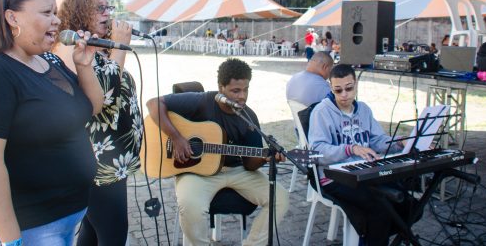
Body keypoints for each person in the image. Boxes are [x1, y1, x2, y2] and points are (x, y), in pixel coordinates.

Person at [0, 0, 104, 245]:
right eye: (47, 13)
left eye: (56, 13)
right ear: (12, 18)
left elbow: (91, 108)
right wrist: (11, 241)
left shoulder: (49, 61)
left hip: (65, 217)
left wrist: (84, 66)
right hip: (23, 228)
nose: (57, 21)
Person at [146, 58, 289, 246]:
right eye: (235, 90)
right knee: (190, 207)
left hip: (237, 172)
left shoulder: (248, 117)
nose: (242, 96)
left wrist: (266, 158)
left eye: (246, 89)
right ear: (221, 87)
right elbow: (153, 103)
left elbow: (249, 164)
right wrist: (177, 138)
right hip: (196, 172)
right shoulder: (202, 101)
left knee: (280, 198)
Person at [52, 0, 142, 246]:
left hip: (115, 161)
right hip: (98, 162)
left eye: (108, 7)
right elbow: (104, 98)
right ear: (80, 11)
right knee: (113, 234)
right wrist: (121, 46)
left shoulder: (98, 48)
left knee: (92, 233)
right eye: (99, 8)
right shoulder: (70, 49)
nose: (107, 14)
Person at [308, 64, 413, 246]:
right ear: (331, 88)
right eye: (337, 90)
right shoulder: (321, 112)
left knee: (408, 201)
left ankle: (373, 238)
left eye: (349, 88)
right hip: (334, 178)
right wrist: (351, 149)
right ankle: (375, 237)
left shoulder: (364, 109)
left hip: (364, 173)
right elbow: (316, 151)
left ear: (356, 85)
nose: (344, 95)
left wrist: (399, 142)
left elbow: (377, 140)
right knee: (380, 206)